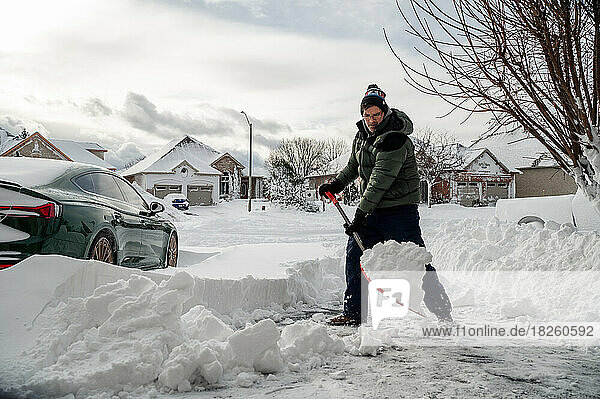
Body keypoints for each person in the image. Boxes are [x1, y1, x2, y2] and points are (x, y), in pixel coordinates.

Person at [319, 84, 453, 325]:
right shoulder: (362, 135)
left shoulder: (395, 139)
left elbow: (380, 180)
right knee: (355, 256)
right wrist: (335, 185)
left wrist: (360, 213)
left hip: (399, 211)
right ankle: (353, 314)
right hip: (373, 210)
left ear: (385, 112)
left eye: (376, 115)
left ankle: (443, 311)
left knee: (416, 261)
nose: (371, 120)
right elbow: (354, 167)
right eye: (367, 115)